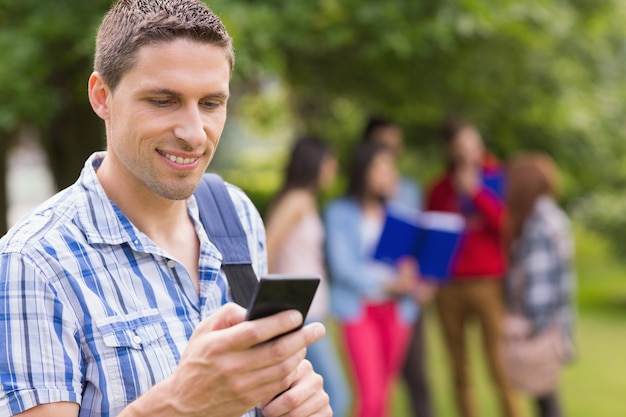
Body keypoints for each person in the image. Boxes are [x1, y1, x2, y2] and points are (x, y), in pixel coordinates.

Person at [0, 1, 331, 416]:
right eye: (162, 101)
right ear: (102, 97)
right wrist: (179, 404)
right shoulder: (33, 261)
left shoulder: (236, 214)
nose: (194, 134)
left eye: (211, 103)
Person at [426, 117, 521, 417]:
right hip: (449, 287)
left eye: (473, 143)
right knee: (459, 369)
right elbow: (433, 235)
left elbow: (507, 226)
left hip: (487, 284)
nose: (469, 150)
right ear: (451, 150)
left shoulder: (499, 179)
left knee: (499, 365)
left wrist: (476, 193)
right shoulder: (439, 188)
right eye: (461, 145)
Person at [324, 142, 421, 417]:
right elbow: (343, 267)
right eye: (381, 168)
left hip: (397, 311)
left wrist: (408, 273)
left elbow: (408, 258)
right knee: (370, 396)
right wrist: (386, 283)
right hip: (359, 310)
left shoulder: (399, 212)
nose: (389, 174)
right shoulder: (339, 212)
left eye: (391, 168)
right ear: (363, 171)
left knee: (385, 396)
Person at [264, 137, 351, 417]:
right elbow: (265, 247)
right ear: (314, 164)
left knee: (314, 396)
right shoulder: (297, 200)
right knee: (335, 394)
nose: (333, 169)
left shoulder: (307, 201)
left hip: (312, 312)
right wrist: (276, 302)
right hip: (300, 313)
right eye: (329, 162)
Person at [361, 116, 432, 417]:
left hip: (407, 299)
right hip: (374, 302)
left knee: (417, 376)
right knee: (374, 391)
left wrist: (423, 279)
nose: (390, 149)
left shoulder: (410, 190)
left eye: (394, 143)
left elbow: (420, 240)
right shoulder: (353, 207)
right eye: (382, 144)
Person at [504, 152, 576, 417]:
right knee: (545, 398)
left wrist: (526, 323)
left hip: (539, 327)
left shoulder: (538, 223)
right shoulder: (550, 217)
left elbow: (539, 285)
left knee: (545, 399)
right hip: (552, 324)